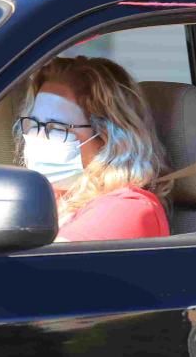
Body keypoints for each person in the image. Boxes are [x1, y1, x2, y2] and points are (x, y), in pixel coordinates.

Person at [17, 55, 171, 242]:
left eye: (57, 128)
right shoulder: (46, 203)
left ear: (108, 139)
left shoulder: (127, 207)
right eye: (33, 124)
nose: (37, 137)